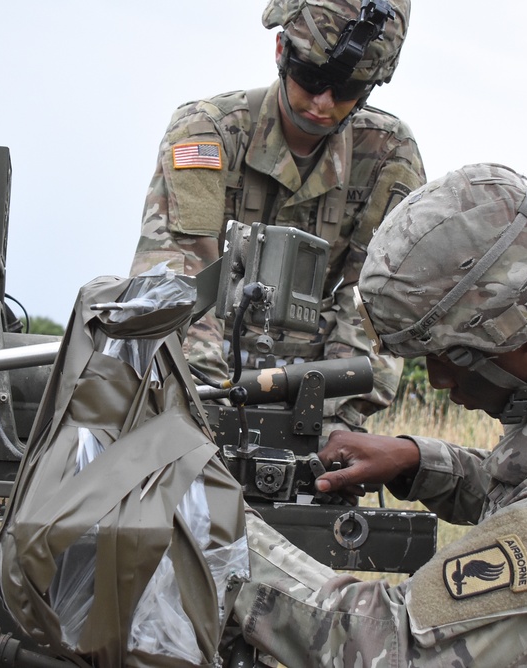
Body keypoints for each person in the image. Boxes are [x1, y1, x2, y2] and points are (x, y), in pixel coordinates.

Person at [232, 163, 527, 666]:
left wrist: (222, 533)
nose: (436, 380)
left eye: (450, 355)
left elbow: (394, 649)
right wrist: (416, 460)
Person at [130, 0, 425, 429]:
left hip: (317, 388)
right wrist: (212, 405)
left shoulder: (388, 155)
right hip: (197, 381)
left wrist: (332, 422)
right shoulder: (210, 131)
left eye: (346, 90)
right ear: (280, 50)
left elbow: (375, 302)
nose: (323, 103)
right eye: (311, 78)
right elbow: (176, 276)